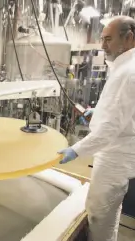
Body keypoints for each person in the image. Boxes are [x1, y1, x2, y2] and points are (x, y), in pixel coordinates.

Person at [58, 16, 135, 241]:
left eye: (108, 39)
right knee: (111, 210)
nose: (102, 45)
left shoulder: (128, 73)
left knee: (99, 216)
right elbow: (123, 112)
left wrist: (77, 150)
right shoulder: (125, 67)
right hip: (119, 154)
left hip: (114, 159)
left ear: (129, 38)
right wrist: (97, 112)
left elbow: (110, 129)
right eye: (102, 39)